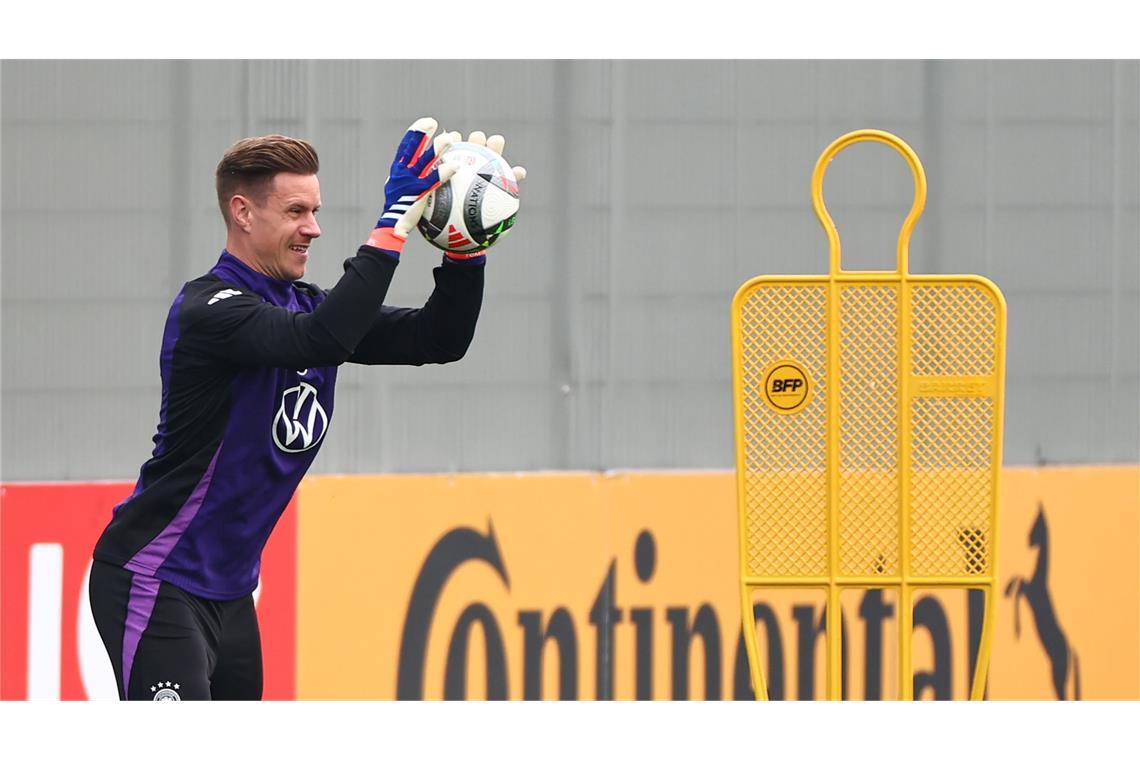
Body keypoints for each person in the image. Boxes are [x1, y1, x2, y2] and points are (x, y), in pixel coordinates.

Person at [88, 117, 526, 700]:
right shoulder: (211, 309)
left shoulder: (307, 308)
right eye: (296, 211)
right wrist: (392, 224)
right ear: (243, 212)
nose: (314, 228)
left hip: (230, 594)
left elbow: (437, 341)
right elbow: (320, 339)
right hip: (155, 577)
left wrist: (465, 248)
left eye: (315, 210)